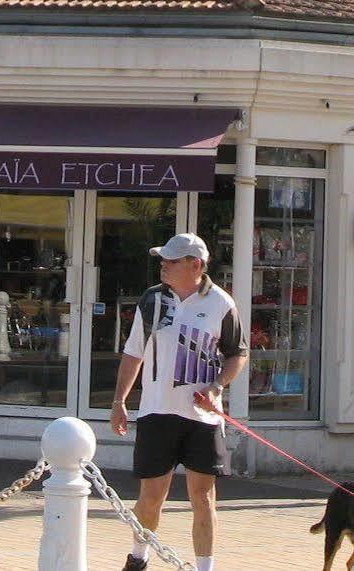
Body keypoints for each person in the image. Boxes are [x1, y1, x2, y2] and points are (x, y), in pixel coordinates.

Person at [109, 232, 248, 571]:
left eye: (170, 261)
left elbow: (238, 353)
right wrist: (119, 401)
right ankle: (138, 556)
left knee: (202, 497)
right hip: (158, 411)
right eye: (163, 259)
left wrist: (217, 386)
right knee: (152, 496)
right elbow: (133, 353)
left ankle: (205, 567)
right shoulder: (152, 300)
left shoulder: (221, 303)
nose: (163, 265)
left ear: (195, 265)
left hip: (203, 417)